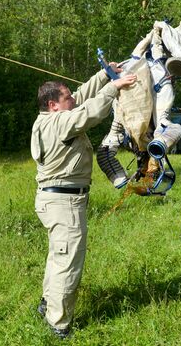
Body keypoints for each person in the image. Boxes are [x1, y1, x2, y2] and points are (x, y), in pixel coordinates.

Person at [31, 66, 136, 339]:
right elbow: (90, 111)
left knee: (58, 257)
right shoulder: (60, 123)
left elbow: (81, 96)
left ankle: (48, 304)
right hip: (64, 204)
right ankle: (59, 323)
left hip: (55, 201)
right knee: (68, 264)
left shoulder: (51, 117)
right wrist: (115, 87)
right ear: (53, 105)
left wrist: (104, 75)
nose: (73, 99)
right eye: (66, 98)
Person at [96, 0, 181, 190]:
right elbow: (172, 129)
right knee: (166, 37)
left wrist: (121, 178)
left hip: (135, 78)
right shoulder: (137, 138)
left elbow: (105, 153)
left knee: (162, 34)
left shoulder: (124, 137)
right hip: (155, 80)